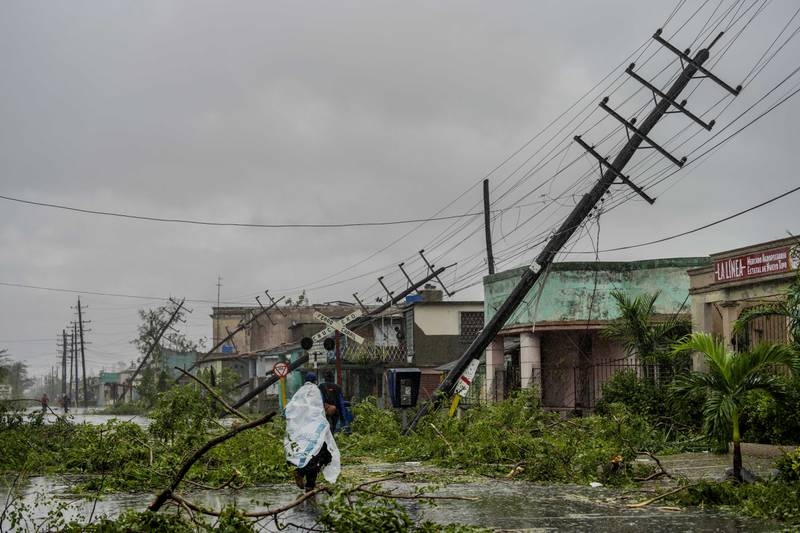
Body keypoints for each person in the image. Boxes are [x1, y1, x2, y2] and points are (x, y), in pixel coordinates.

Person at [284, 372, 341, 492]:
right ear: (316, 381)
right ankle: (305, 478)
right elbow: (321, 408)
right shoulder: (317, 391)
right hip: (317, 430)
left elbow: (288, 410)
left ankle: (308, 482)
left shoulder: (299, 393)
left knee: (314, 455)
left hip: (304, 431)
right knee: (322, 455)